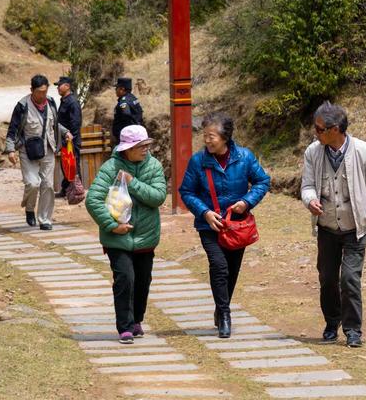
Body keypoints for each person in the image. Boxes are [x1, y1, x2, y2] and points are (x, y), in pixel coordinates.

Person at [301, 101, 366, 348]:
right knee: (327, 278)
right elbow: (306, 186)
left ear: (335, 129)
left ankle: (353, 330)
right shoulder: (313, 152)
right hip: (326, 228)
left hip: (355, 228)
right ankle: (331, 323)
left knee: (349, 278)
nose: (315, 134)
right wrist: (310, 200)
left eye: (319, 129)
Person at [179, 112, 270, 338]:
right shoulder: (198, 161)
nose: (207, 140)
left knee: (232, 271)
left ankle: (221, 308)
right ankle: (226, 314)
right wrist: (205, 212)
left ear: (225, 137)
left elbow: (262, 181)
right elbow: (187, 191)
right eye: (205, 135)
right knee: (219, 266)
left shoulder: (245, 157)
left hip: (237, 226)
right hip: (209, 226)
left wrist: (246, 202)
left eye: (212, 136)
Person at [85, 125, 166, 344]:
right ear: (127, 149)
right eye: (140, 146)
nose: (145, 150)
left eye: (147, 145)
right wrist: (112, 226)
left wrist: (132, 182)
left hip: (146, 237)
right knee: (125, 279)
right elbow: (92, 200)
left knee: (142, 281)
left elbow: (158, 197)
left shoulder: (154, 166)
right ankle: (125, 326)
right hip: (117, 238)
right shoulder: (110, 168)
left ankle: (137, 319)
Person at [5, 74, 72, 230]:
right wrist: (10, 150)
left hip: (48, 148)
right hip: (28, 150)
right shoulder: (22, 105)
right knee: (32, 183)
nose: (42, 95)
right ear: (31, 90)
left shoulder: (51, 102)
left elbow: (54, 124)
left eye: (45, 91)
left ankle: (45, 219)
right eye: (39, 92)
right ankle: (29, 208)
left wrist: (65, 132)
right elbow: (12, 130)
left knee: (48, 185)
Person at [54, 76, 82, 198]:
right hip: (65, 140)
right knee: (66, 165)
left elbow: (75, 123)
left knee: (73, 165)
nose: (58, 88)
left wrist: (71, 138)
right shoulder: (65, 100)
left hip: (71, 140)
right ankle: (66, 189)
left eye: (60, 85)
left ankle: (77, 191)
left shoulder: (72, 102)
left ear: (67, 86)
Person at [112, 77, 143, 142]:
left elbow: (126, 114)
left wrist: (126, 130)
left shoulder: (124, 102)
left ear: (122, 89)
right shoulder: (133, 98)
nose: (115, 90)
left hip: (127, 138)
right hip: (135, 134)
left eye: (116, 88)